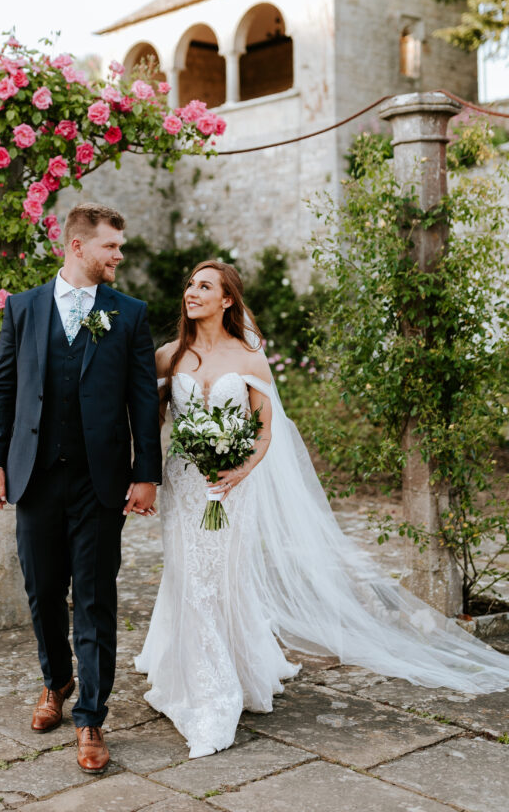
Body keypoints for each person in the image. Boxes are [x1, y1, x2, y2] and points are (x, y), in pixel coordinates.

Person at [135, 260, 509, 759]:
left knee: (222, 579)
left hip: (232, 487)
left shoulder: (250, 358)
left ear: (227, 300)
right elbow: (150, 416)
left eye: (204, 286)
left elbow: (265, 430)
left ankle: (221, 686)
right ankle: (200, 686)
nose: (191, 292)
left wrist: (238, 471)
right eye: (189, 284)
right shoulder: (168, 356)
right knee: (189, 578)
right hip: (184, 487)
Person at [0, 203, 161, 774]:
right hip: (33, 474)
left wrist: (146, 473)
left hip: (99, 480)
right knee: (41, 592)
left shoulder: (128, 314)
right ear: (78, 247)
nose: (119, 256)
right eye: (112, 246)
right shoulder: (24, 308)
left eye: (120, 247)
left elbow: (142, 400)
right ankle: (56, 682)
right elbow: (3, 389)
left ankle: (91, 717)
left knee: (94, 598)